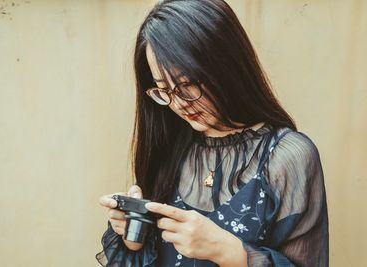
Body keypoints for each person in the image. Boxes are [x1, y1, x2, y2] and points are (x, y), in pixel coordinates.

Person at [97, 0, 329, 266]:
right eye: (164, 90)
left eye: (187, 84)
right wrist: (132, 236)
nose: (179, 103)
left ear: (226, 67)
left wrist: (230, 252)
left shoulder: (287, 157)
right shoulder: (170, 143)